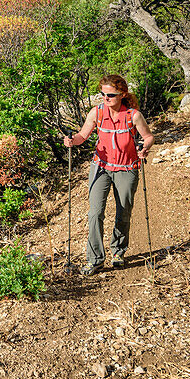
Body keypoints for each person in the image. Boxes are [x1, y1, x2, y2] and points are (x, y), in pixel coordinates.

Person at [63, 75, 154, 275]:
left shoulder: (133, 115)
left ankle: (118, 251)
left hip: (127, 168)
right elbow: (82, 136)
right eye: (102, 94)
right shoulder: (96, 112)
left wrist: (144, 147)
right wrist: (71, 141)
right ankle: (95, 259)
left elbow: (148, 137)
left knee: (124, 211)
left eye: (110, 95)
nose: (105, 98)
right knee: (95, 213)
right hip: (101, 167)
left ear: (122, 94)